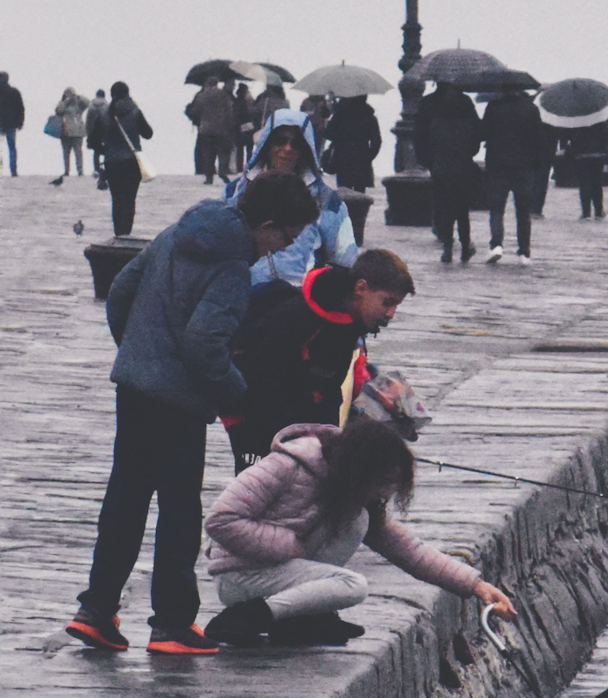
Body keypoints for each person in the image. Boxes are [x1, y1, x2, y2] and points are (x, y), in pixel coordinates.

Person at [65, 174, 320, 656]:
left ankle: (96, 611)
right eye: (283, 237)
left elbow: (121, 291)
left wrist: (142, 355)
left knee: (125, 500)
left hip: (135, 388)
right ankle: (172, 625)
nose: (280, 248)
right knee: (180, 509)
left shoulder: (178, 232)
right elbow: (205, 342)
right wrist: (235, 392)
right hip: (179, 402)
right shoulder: (231, 267)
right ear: (265, 224)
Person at [202, 417, 516, 646]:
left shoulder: (349, 491)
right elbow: (220, 520)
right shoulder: (286, 466)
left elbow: (409, 550)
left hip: (277, 570)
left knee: (358, 523)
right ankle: (249, 618)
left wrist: (476, 586)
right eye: (382, 484)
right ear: (361, 471)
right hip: (240, 575)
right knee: (352, 585)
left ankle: (300, 618)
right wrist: (288, 544)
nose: (383, 494)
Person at [224, 248, 415, 470]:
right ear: (361, 288)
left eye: (395, 307)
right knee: (258, 491)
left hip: (293, 422)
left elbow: (329, 390)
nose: (390, 313)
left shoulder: (349, 323)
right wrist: (299, 434)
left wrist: (329, 438)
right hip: (250, 418)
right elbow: (259, 383)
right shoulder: (295, 317)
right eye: (387, 302)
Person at [225, 109, 357, 286]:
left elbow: (346, 258)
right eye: (280, 141)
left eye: (296, 143)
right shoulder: (235, 192)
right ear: (267, 144)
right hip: (246, 295)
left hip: (298, 300)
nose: (287, 148)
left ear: (305, 149)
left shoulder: (326, 201)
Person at [414, 78, 483, 263]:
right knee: (462, 210)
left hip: (441, 169)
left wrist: (431, 161)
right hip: (463, 167)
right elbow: (476, 141)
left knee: (445, 207)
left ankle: (447, 246)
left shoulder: (437, 121)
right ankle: (465, 244)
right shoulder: (467, 118)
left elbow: (426, 140)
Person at [480, 84, 545, 264]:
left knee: (496, 207)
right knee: (523, 210)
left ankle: (496, 245)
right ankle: (524, 252)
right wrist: (537, 165)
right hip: (524, 166)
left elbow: (483, 133)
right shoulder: (530, 109)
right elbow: (539, 138)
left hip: (498, 164)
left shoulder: (493, 107)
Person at [90, 82, 153, 236]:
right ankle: (126, 232)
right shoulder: (135, 112)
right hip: (132, 162)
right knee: (129, 199)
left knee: (117, 199)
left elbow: (92, 141)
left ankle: (118, 232)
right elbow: (148, 134)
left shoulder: (104, 115)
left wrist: (106, 151)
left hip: (112, 163)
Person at [323, 95, 382, 191]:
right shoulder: (370, 117)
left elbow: (328, 134)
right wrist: (368, 157)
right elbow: (377, 142)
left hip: (343, 158)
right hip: (362, 160)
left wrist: (333, 112)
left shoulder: (341, 115)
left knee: (344, 192)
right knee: (360, 194)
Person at [185, 77, 236, 185]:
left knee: (208, 153)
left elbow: (195, 112)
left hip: (205, 129)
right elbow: (229, 111)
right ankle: (222, 170)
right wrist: (229, 125)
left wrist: (197, 120)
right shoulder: (223, 95)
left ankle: (209, 177)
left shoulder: (201, 96)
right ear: (217, 84)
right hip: (221, 129)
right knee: (223, 152)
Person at [563, 119, 608, 219]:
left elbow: (568, 136)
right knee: (597, 183)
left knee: (584, 183)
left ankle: (586, 212)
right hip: (598, 155)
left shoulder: (576, 120)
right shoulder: (600, 119)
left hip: (581, 155)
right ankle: (598, 211)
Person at [53, 88, 89, 177]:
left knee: (78, 151)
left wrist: (78, 97)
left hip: (77, 131)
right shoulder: (63, 104)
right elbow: (58, 110)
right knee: (66, 152)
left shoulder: (79, 105)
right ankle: (67, 170)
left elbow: (87, 102)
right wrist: (64, 101)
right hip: (65, 131)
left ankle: (80, 170)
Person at [530, 123, 558, 220]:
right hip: (547, 152)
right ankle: (536, 209)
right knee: (542, 179)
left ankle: (529, 207)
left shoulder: (533, 113)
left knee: (531, 178)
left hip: (532, 151)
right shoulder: (553, 120)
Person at [0, 72, 24, 176]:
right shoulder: (14, 92)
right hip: (11, 123)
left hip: (3, 122)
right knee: (12, 147)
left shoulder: (14, 92)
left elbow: (20, 108)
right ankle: (13, 170)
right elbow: (20, 108)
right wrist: (20, 122)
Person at [86, 89, 108, 178]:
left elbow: (88, 121)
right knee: (107, 150)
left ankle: (96, 169)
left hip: (94, 132)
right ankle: (106, 169)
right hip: (105, 131)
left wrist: (88, 133)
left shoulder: (91, 106)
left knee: (96, 152)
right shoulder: (107, 105)